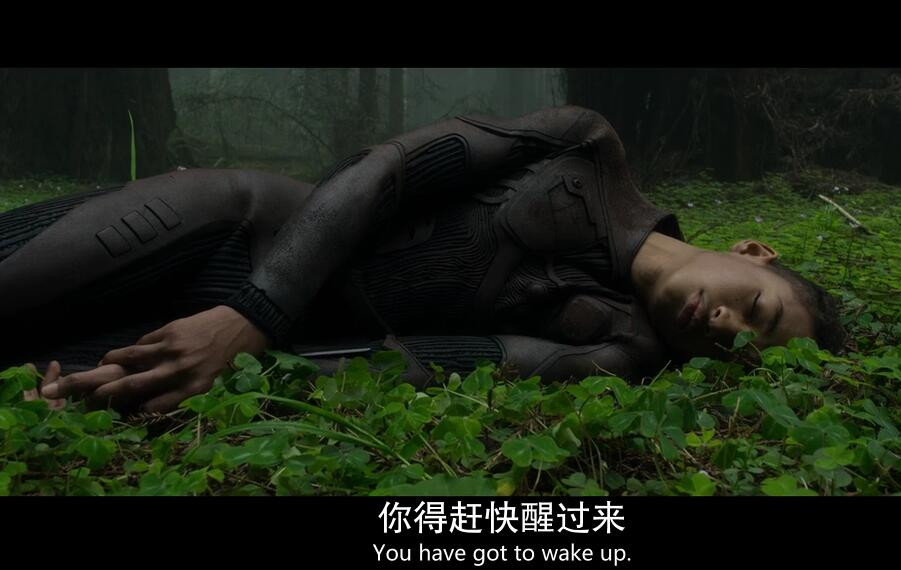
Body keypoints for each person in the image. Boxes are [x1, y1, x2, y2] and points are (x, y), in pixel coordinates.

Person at [0, 106, 845, 413]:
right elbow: (388, 170)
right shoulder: (587, 148)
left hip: (261, 342)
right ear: (753, 253)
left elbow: (411, 362)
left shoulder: (617, 351)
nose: (726, 327)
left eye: (739, 349)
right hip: (239, 225)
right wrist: (250, 316)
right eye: (756, 309)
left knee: (52, 375)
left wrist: (219, 368)